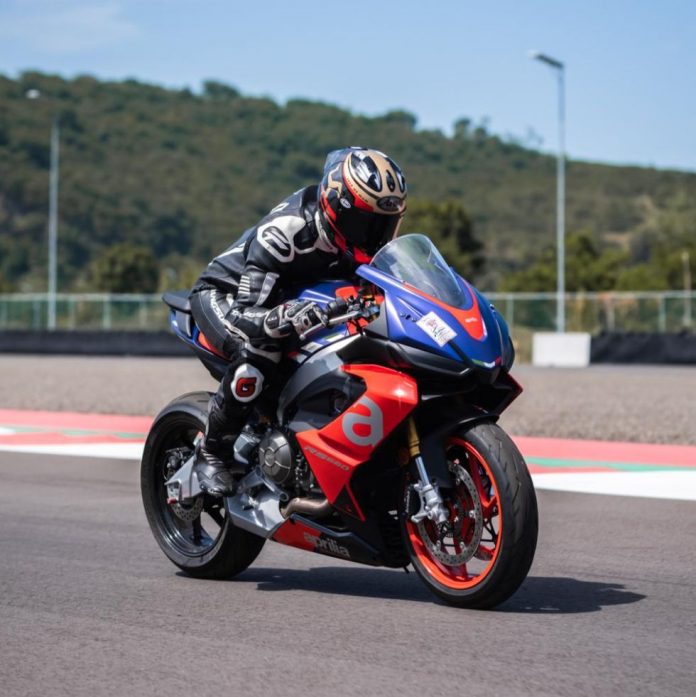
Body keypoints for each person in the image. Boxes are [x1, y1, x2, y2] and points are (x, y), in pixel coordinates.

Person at [189, 147, 408, 496]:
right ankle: (212, 451)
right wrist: (284, 315)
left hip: (292, 299)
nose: (375, 236)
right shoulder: (287, 233)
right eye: (366, 222)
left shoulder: (364, 245)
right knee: (259, 354)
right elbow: (247, 312)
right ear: (336, 205)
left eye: (385, 225)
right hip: (226, 297)